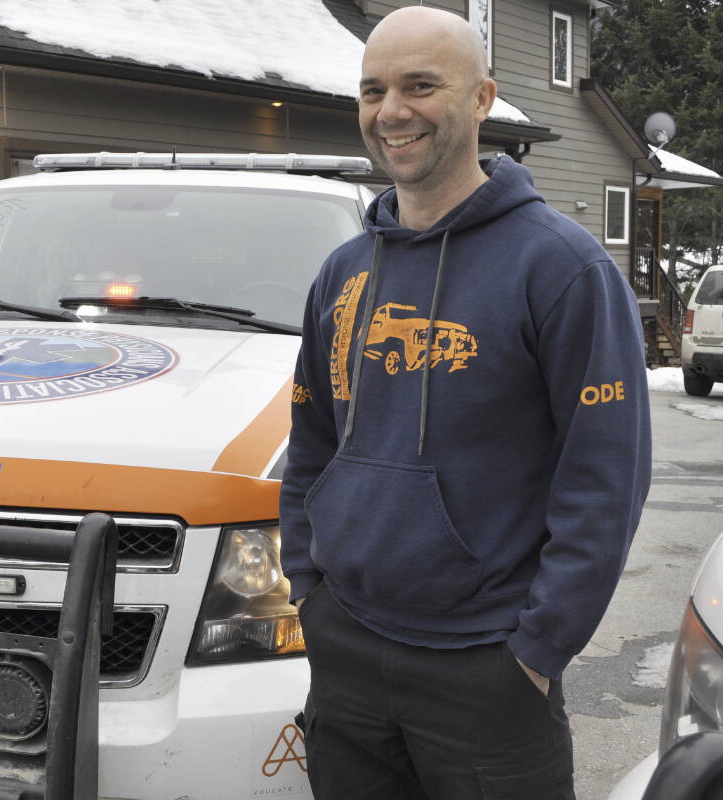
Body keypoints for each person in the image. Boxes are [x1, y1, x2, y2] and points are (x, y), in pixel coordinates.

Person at [278, 6, 652, 799]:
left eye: (421, 85)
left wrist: (537, 648)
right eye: (373, 90)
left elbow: (604, 481)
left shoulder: (563, 270)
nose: (392, 111)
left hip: (488, 673)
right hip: (346, 650)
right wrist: (307, 588)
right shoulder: (343, 273)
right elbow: (312, 442)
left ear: (482, 99)